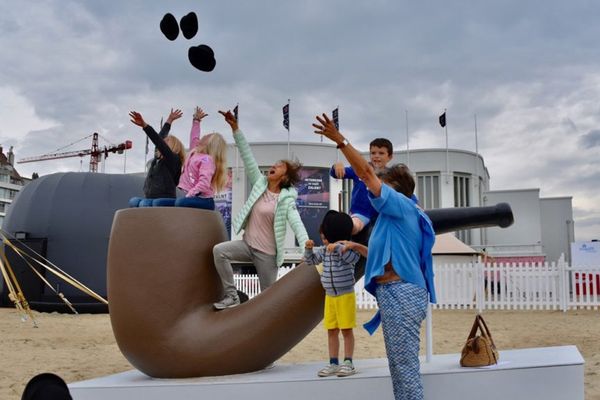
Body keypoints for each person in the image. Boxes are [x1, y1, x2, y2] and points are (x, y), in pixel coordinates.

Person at [313, 113, 436, 400]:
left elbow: (366, 174)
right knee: (398, 365)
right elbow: (382, 255)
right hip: (393, 292)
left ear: (395, 189)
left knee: (404, 367)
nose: (372, 186)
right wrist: (356, 247)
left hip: (401, 292)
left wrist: (340, 140)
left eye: (382, 183)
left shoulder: (401, 205)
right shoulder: (389, 219)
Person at [212, 109, 309, 310]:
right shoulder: (259, 183)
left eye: (279, 166)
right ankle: (232, 296)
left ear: (285, 176)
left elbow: (296, 222)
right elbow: (248, 158)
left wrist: (305, 245)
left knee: (269, 301)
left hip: (267, 254)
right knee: (219, 251)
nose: (273, 166)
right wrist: (235, 129)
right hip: (247, 246)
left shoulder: (286, 199)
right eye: (274, 164)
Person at [304, 210, 367, 378]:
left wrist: (339, 247)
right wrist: (308, 249)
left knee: (346, 330)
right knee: (331, 330)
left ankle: (348, 363)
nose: (324, 242)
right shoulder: (324, 251)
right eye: (323, 239)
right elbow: (311, 261)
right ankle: (333, 363)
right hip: (330, 296)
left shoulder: (347, 248)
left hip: (345, 295)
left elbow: (354, 259)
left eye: (326, 238)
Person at [331, 138, 393, 235]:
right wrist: (336, 167)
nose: (376, 156)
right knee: (356, 225)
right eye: (373, 153)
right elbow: (336, 173)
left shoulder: (393, 176)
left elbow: (406, 194)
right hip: (361, 213)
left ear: (390, 157)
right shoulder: (361, 168)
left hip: (382, 216)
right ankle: (344, 228)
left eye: (381, 153)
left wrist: (416, 207)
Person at [128, 109, 185, 207]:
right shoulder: (157, 159)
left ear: (174, 146)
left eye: (167, 141)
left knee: (153, 203)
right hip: (149, 198)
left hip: (165, 198)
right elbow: (160, 137)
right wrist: (169, 120)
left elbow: (158, 140)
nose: (164, 141)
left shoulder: (173, 159)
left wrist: (145, 126)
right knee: (134, 201)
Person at [175, 107, 227, 210]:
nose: (204, 136)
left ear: (210, 144)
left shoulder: (207, 160)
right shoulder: (195, 152)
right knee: (161, 202)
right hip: (188, 195)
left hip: (203, 199)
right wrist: (196, 121)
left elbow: (204, 184)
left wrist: (189, 195)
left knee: (180, 202)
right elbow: (194, 138)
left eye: (207, 136)